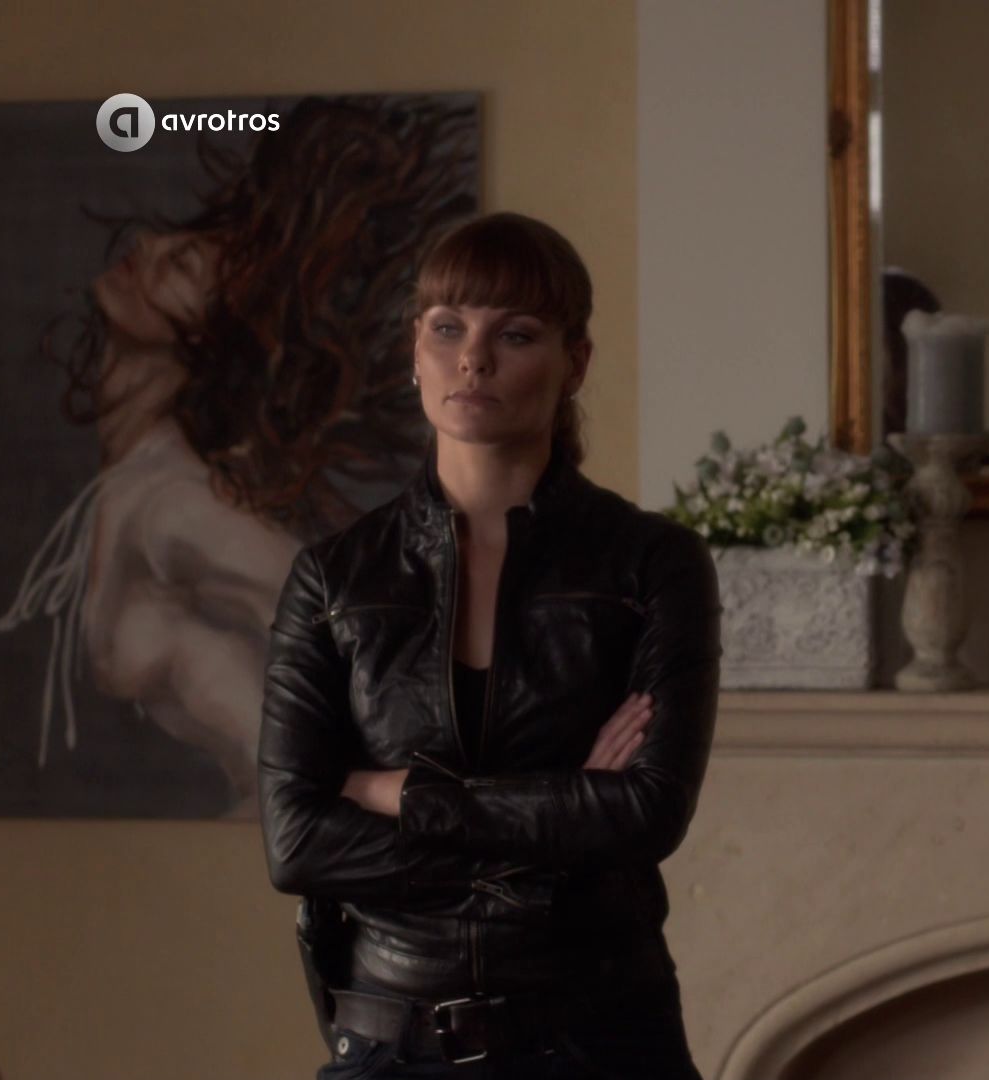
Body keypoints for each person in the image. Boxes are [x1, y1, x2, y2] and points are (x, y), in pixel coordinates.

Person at [258, 212, 720, 1078]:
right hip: (391, 1042)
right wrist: (563, 818)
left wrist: (401, 794)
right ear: (415, 350)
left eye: (515, 334)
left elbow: (648, 812)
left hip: (600, 1040)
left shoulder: (651, 563)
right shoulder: (333, 578)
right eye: (448, 328)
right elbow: (297, 843)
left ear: (574, 362)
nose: (473, 359)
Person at [0, 96, 476, 813]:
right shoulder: (133, 479)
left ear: (217, 336)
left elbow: (355, 628)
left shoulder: (175, 504)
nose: (148, 247)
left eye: (184, 266)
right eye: (174, 244)